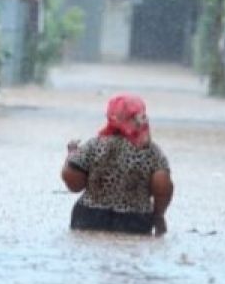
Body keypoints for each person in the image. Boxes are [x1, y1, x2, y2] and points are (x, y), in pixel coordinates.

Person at [60, 93, 173, 237]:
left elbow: (73, 182)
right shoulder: (151, 152)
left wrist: (72, 155)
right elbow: (162, 186)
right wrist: (158, 216)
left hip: (90, 215)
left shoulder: (94, 145)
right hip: (135, 219)